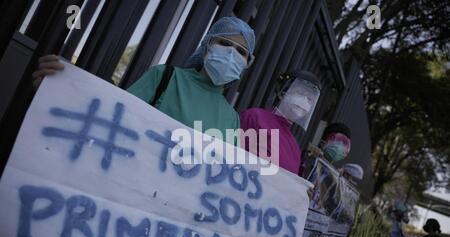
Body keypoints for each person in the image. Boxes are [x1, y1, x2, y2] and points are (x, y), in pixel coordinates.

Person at [32, 17, 256, 145]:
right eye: (225, 43)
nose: (231, 53)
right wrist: (57, 93)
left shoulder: (231, 119)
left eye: (240, 51)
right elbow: (108, 119)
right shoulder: (165, 78)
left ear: (247, 62)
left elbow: (222, 176)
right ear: (208, 45)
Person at [239, 70, 321, 174]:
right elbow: (229, 154)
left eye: (310, 99)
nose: (304, 101)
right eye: (299, 92)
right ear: (281, 92)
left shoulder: (295, 147)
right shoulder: (255, 117)